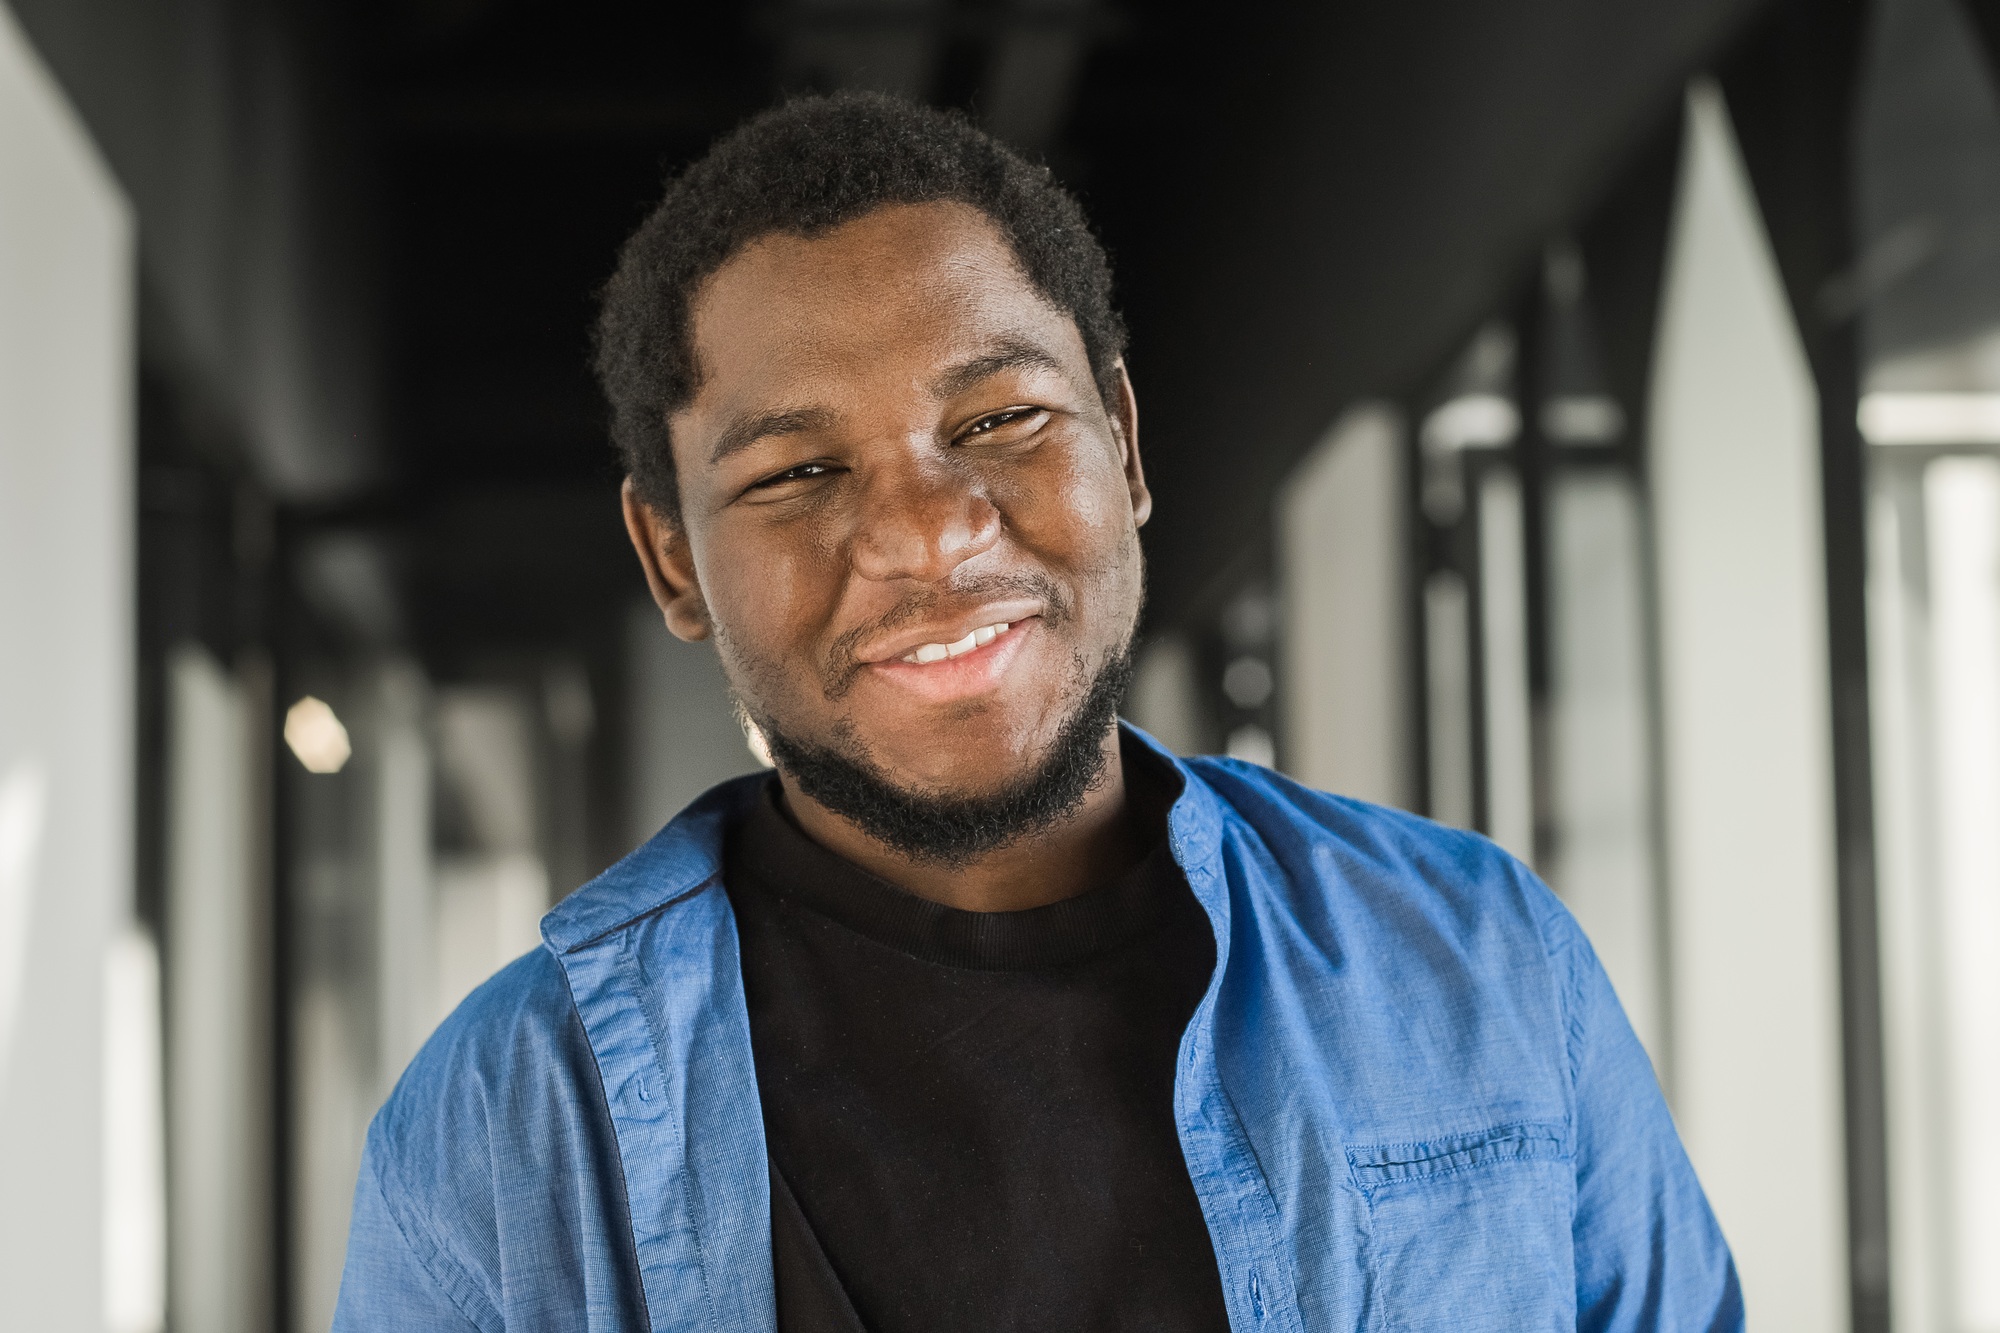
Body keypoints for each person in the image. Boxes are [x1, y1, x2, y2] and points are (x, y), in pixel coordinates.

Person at [332, 92, 1741, 1333]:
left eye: (1001, 419)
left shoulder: (1479, 960)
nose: (931, 534)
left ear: (1121, 444)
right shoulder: (499, 1128)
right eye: (797, 472)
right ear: (671, 561)